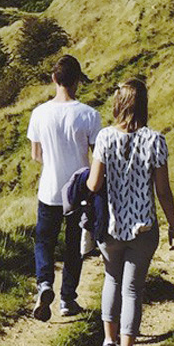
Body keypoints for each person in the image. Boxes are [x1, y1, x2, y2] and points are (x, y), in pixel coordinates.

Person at [87, 78, 174, 346]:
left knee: (111, 280)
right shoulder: (156, 140)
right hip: (143, 227)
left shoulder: (104, 138)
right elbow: (163, 191)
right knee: (132, 290)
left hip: (111, 226)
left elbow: (94, 184)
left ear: (119, 103)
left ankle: (108, 342)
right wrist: (173, 226)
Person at [26, 55, 102, 321]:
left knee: (44, 242)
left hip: (49, 188)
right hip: (79, 191)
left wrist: (54, 162)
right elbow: (98, 157)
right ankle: (68, 299)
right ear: (78, 81)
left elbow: (36, 155)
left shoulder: (39, 113)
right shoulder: (90, 115)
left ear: (54, 79)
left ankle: (45, 284)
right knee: (73, 247)